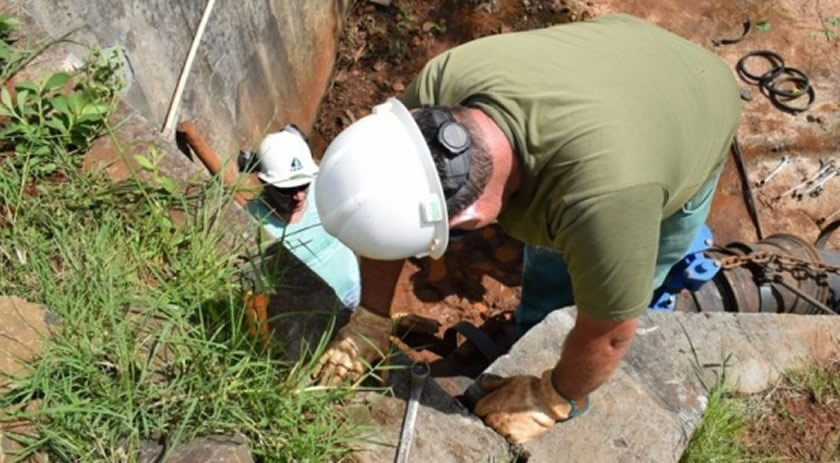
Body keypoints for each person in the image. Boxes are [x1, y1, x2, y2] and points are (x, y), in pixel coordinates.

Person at [312, 13, 741, 443]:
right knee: (556, 251)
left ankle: (568, 330)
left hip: (700, 98)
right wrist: (370, 316)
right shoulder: (436, 90)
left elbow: (611, 333)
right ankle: (533, 326)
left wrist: (554, 397)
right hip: (616, 60)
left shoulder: (606, 205)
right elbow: (379, 216)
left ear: (469, 224)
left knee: (618, 280)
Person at [246, 126, 361, 310]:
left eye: (303, 185)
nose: (299, 196)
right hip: (312, 313)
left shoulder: (320, 187)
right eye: (287, 190)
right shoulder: (255, 220)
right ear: (264, 182)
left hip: (351, 291)